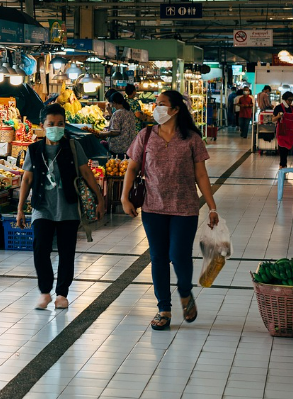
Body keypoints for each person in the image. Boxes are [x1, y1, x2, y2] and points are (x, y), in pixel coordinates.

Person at [120, 90, 218, 331]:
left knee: (179, 255)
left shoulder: (192, 138)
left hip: (185, 208)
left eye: (161, 104)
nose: (156, 108)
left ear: (175, 110)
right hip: (153, 208)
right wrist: (125, 197)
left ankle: (185, 291)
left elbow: (201, 174)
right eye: (156, 104)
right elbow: (131, 168)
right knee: (158, 258)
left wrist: (212, 207)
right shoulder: (145, 135)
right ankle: (164, 308)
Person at [16, 104, 106, 310]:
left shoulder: (73, 147)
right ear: (42, 125)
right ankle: (45, 292)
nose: (56, 128)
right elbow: (27, 179)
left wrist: (99, 198)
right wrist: (21, 208)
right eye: (51, 124)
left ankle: (62, 294)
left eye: (60, 124)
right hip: (42, 208)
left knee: (67, 252)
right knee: (40, 249)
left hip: (68, 208)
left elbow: (86, 173)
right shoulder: (34, 149)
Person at [88, 92, 137, 157]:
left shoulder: (117, 113)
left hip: (119, 148)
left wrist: (102, 134)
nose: (111, 105)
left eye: (111, 103)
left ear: (114, 102)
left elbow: (115, 132)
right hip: (130, 147)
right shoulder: (129, 112)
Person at [273, 91, 293, 169]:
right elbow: (273, 119)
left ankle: (284, 164)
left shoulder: (292, 108)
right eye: (289, 100)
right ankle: (282, 165)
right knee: (282, 148)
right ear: (285, 99)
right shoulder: (278, 107)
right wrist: (278, 116)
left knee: (287, 149)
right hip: (282, 131)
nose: (290, 102)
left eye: (292, 100)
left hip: (290, 132)